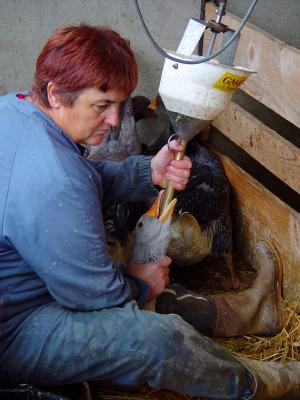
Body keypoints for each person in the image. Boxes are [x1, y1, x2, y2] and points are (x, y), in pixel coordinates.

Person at [0, 24, 299, 400]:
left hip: (27, 288)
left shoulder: (14, 110)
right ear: (56, 93)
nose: (113, 121)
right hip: (13, 333)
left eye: (118, 105)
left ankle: (253, 312)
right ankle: (264, 385)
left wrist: (148, 171)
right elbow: (98, 298)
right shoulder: (53, 178)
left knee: (147, 287)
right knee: (153, 338)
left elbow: (82, 178)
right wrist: (138, 283)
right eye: (101, 106)